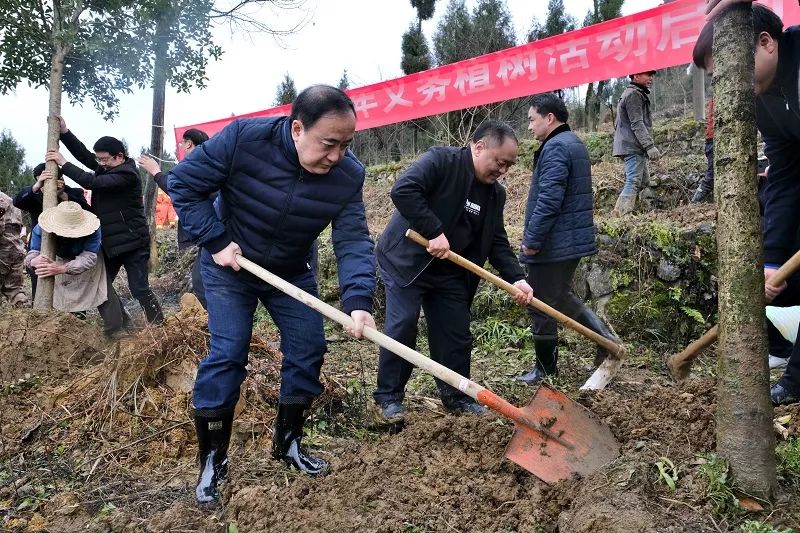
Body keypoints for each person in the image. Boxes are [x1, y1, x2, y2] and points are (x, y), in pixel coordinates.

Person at [168, 85, 376, 504]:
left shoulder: (348, 175)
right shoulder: (245, 139)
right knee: (229, 350)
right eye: (329, 144)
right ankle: (213, 459)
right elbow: (183, 184)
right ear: (297, 128)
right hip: (231, 262)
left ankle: (288, 441)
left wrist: (358, 301)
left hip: (291, 270)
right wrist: (216, 240)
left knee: (309, 347)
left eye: (346, 144)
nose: (337, 155)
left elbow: (352, 238)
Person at [373, 120, 534, 423]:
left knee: (455, 332)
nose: (503, 171)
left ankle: (457, 396)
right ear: (479, 147)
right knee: (403, 325)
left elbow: (496, 240)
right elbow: (404, 191)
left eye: (509, 166)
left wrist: (517, 278)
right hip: (406, 261)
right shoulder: (440, 161)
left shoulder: (494, 195)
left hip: (449, 271)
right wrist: (433, 229)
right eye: (500, 162)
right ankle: (388, 398)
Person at [693, 2, 800, 404]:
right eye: (716, 76)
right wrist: (772, 259)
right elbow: (786, 173)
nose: (726, 82)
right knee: (779, 283)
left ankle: (795, 382)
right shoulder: (762, 100)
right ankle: (780, 350)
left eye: (731, 66)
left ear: (767, 42)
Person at [515, 93, 620, 384]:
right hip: (567, 240)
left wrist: (533, 239)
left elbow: (549, 199)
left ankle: (545, 369)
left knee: (540, 303)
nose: (529, 127)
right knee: (559, 295)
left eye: (532, 120)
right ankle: (605, 341)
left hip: (553, 243)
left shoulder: (557, 147)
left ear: (550, 118)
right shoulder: (571, 143)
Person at [45, 116, 164, 325]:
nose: (100, 163)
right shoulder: (107, 167)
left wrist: (63, 163)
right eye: (98, 159)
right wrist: (65, 132)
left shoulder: (127, 174)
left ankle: (159, 325)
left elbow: (91, 181)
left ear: (119, 157)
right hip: (110, 243)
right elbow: (84, 155)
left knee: (139, 288)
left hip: (133, 243)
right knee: (102, 286)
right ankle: (122, 324)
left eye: (104, 159)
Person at [25, 202, 126, 337]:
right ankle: (77, 332)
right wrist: (33, 260)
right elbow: (33, 252)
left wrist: (63, 268)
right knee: (69, 298)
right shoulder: (41, 228)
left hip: (88, 261)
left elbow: (89, 257)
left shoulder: (93, 229)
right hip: (58, 259)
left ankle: (115, 330)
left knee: (103, 292)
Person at [137, 128, 210, 308]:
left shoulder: (196, 165)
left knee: (202, 282)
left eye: (182, 144)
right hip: (209, 233)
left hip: (207, 233)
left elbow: (178, 189)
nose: (181, 147)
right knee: (202, 279)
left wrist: (156, 172)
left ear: (189, 143)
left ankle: (215, 322)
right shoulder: (211, 163)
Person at [14, 164, 91, 299]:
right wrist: (37, 186)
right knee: (39, 280)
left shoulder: (74, 192)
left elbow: (87, 212)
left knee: (71, 286)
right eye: (42, 181)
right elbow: (17, 202)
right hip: (40, 245)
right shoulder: (34, 195)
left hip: (69, 247)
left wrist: (63, 196)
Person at [611, 70, 661, 216]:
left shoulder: (632, 93)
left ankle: (646, 209)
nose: (650, 78)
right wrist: (649, 146)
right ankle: (620, 214)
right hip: (632, 146)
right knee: (633, 181)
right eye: (647, 75)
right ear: (636, 76)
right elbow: (637, 123)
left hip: (630, 144)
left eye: (651, 76)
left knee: (644, 182)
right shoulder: (634, 95)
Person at [0, 192, 28, 307]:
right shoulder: (9, 199)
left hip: (2, 249)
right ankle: (22, 319)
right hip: (16, 249)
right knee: (15, 289)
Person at [691, 98, 715, 203]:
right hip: (713, 139)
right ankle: (694, 203)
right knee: (711, 176)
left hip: (712, 138)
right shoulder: (721, 95)